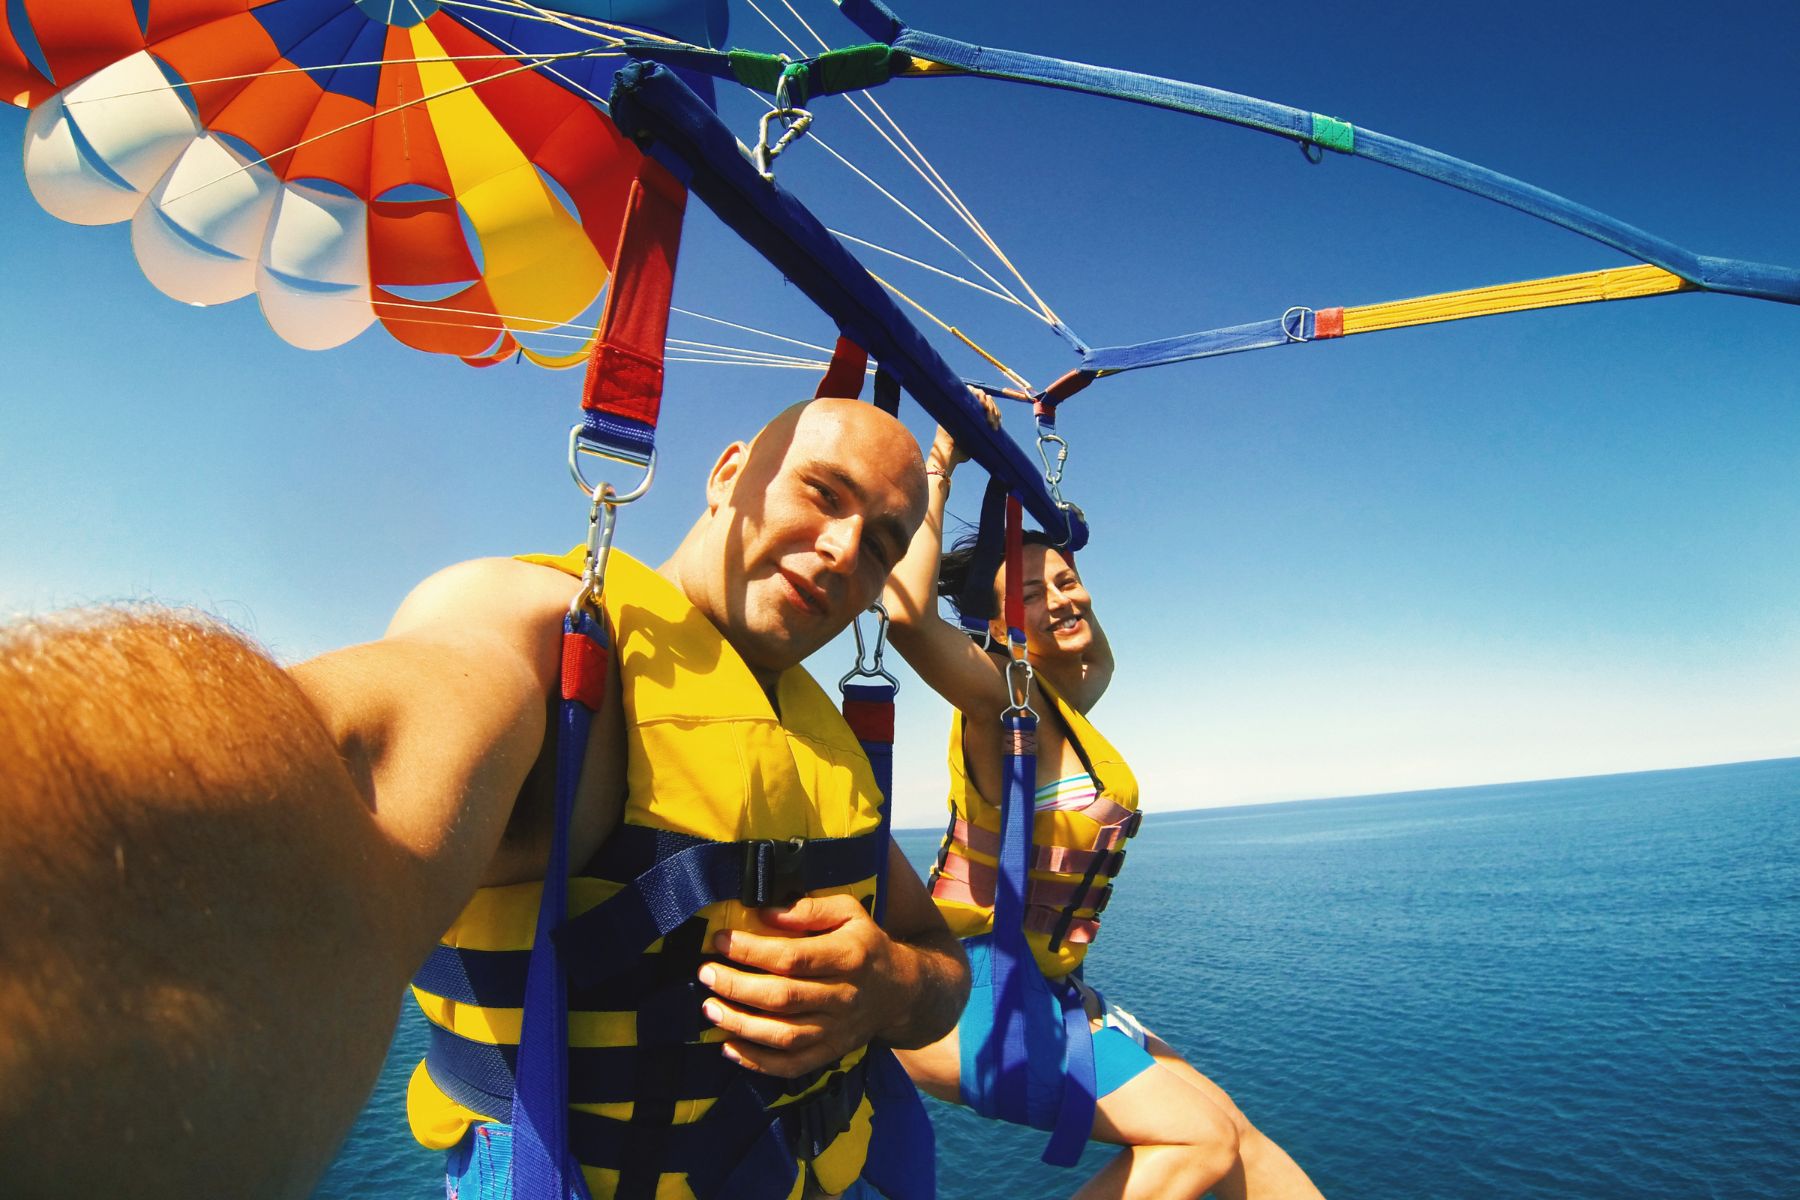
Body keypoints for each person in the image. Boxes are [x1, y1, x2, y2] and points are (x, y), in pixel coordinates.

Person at [0, 397, 968, 1200]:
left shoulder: (822, 735)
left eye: (884, 541)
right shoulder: (551, 640)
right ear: (727, 474)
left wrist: (890, 981)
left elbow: (940, 967)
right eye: (821, 493)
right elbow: (361, 747)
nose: (846, 551)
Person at [882, 414, 1325, 1200]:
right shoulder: (999, 703)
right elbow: (911, 617)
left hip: (1045, 992)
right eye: (1032, 594)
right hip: (968, 994)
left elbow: (1095, 644)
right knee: (1199, 1139)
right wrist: (945, 461)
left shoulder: (1069, 698)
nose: (1062, 598)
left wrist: (1027, 500)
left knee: (1240, 1138)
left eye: (1066, 581)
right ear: (995, 627)